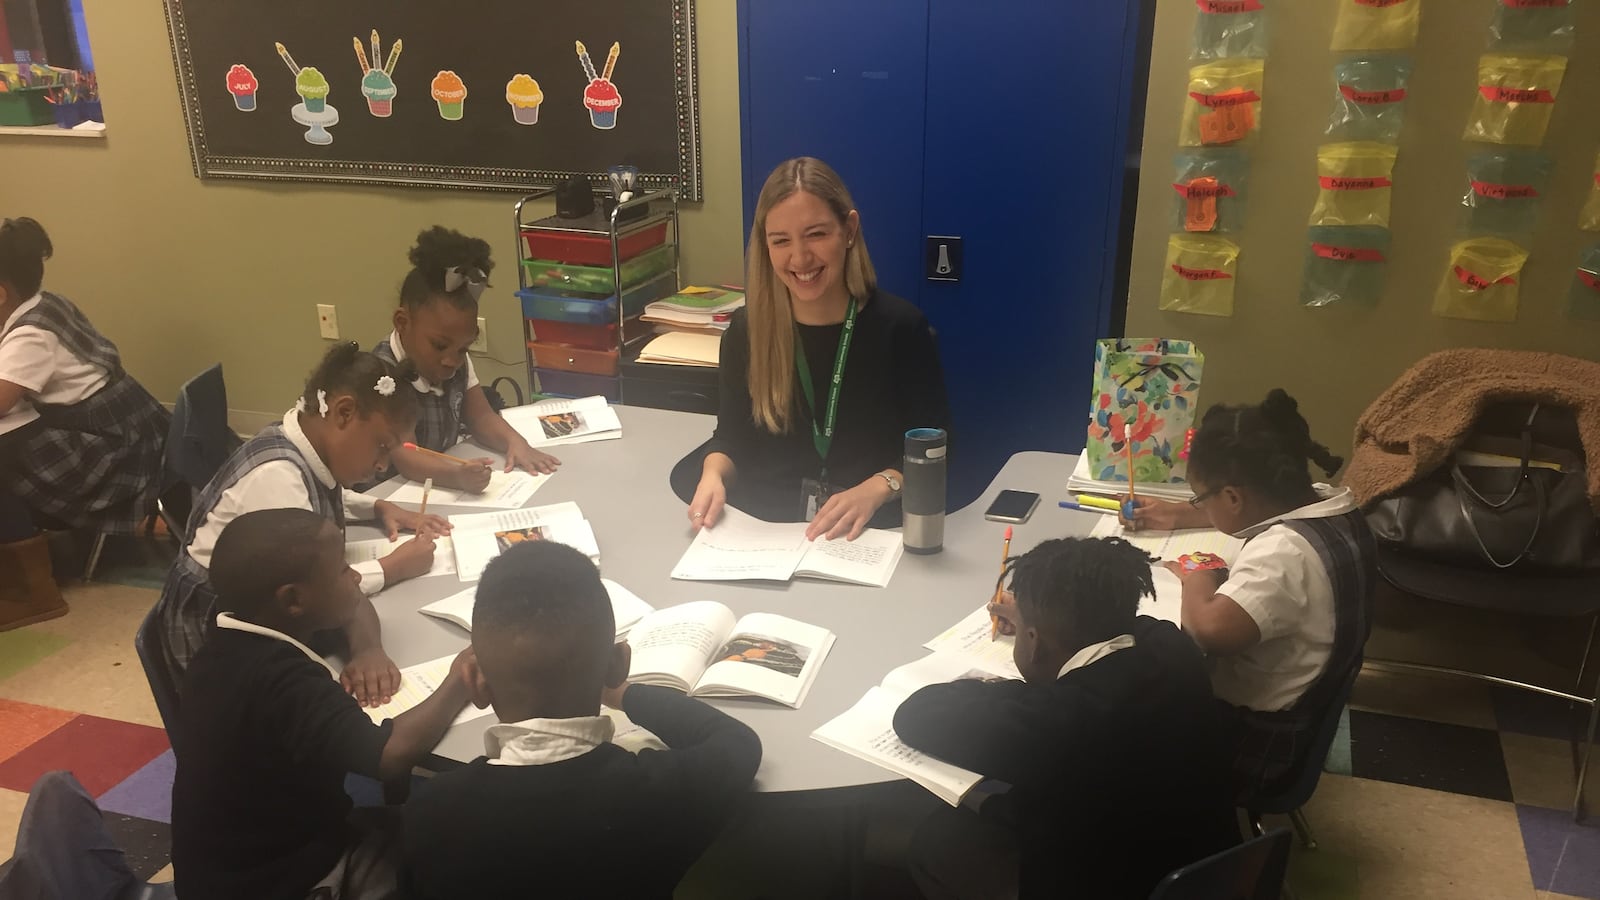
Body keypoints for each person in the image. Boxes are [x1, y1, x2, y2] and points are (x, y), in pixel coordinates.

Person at [403, 541, 762, 900]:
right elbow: (737, 743)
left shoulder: (430, 812)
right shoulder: (659, 794)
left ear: (475, 683)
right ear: (619, 664)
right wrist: (624, 692)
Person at [894, 537, 1237, 900]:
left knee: (937, 841)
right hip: (1211, 874)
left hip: (1107, 884)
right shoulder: (1174, 649)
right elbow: (1138, 624)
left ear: (1034, 642)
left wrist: (1013, 681)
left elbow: (917, 714)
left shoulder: (1055, 722)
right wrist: (1033, 613)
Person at [171, 508, 474, 900]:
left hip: (227, 864)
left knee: (431, 821)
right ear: (294, 599)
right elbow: (388, 758)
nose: (356, 577)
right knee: (465, 847)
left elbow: (352, 606)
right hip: (280, 880)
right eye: (343, 570)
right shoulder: (282, 681)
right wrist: (460, 678)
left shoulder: (229, 639)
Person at [154, 342, 449, 707]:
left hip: (271, 625)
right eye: (382, 446)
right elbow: (318, 591)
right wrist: (393, 568)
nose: (382, 466)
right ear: (343, 413)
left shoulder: (297, 439)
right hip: (218, 652)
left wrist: (376, 505)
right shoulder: (277, 480)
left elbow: (322, 490)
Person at [1123, 389, 1377, 798]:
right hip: (1301, 714)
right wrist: (1181, 513)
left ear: (1233, 496)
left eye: (1200, 499)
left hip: (1252, 741)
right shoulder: (1335, 506)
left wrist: (1197, 572)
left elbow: (1208, 631)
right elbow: (1257, 505)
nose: (1199, 507)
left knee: (1113, 710)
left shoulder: (1283, 554)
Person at [685, 157, 949, 541]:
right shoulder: (747, 331)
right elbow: (732, 437)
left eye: (816, 234)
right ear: (765, 246)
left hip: (867, 535)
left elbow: (935, 449)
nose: (800, 258)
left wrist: (877, 488)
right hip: (766, 533)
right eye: (781, 241)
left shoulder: (900, 328)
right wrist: (713, 474)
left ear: (849, 230)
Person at [0, 217, 169, 565]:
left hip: (109, 453)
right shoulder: (48, 303)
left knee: (9, 456)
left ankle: (24, 555)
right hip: (133, 428)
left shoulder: (29, 337)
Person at [368, 226, 558, 494]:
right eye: (439, 345)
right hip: (392, 492)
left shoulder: (455, 358)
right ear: (402, 323)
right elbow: (406, 455)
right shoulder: (384, 376)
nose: (451, 360)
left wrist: (515, 442)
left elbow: (480, 417)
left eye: (463, 349)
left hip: (435, 487)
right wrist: (456, 475)